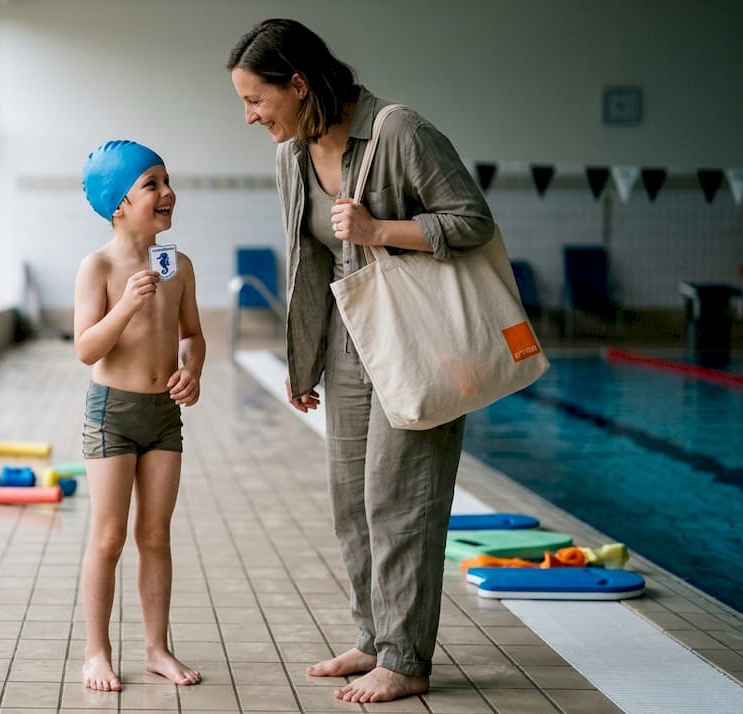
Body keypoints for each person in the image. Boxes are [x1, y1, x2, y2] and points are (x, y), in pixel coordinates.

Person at [227, 19, 496, 704]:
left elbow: (471, 221)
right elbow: (308, 261)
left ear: (298, 82)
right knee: (353, 502)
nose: (249, 116)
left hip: (418, 343)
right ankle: (374, 639)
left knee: (399, 501)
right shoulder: (294, 153)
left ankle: (406, 659)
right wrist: (304, 360)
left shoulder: (399, 131)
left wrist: (381, 232)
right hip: (350, 344)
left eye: (256, 100)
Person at [73, 139, 206, 691]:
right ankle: (96, 652)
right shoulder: (99, 266)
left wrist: (192, 370)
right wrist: (125, 303)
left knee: (155, 534)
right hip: (113, 413)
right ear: (118, 204)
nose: (167, 192)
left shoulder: (175, 263)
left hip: (163, 416)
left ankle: (156, 648)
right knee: (108, 536)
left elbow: (193, 334)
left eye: (166, 180)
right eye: (151, 183)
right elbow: (86, 348)